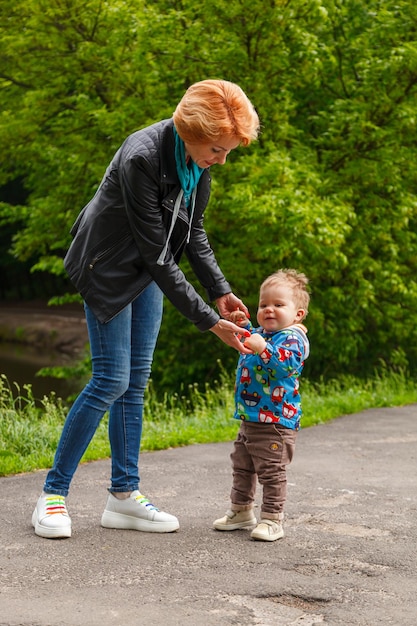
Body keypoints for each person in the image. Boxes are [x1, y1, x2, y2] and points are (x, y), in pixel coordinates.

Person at [32, 79, 259, 539]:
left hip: (147, 271)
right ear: (190, 130)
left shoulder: (197, 163)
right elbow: (158, 254)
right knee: (111, 379)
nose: (222, 159)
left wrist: (220, 290)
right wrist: (211, 323)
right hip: (108, 270)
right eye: (217, 149)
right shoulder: (142, 156)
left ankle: (123, 497)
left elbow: (192, 233)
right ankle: (51, 496)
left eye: (227, 150)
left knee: (135, 383)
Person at [213, 269, 310, 541]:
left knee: (271, 471)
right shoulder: (262, 334)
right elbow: (248, 338)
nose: (269, 309)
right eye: (263, 305)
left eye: (278, 305)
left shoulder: (293, 339)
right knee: (242, 466)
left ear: (297, 314)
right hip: (250, 418)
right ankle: (241, 510)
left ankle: (272, 519)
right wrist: (240, 322)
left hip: (276, 423)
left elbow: (285, 365)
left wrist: (262, 348)